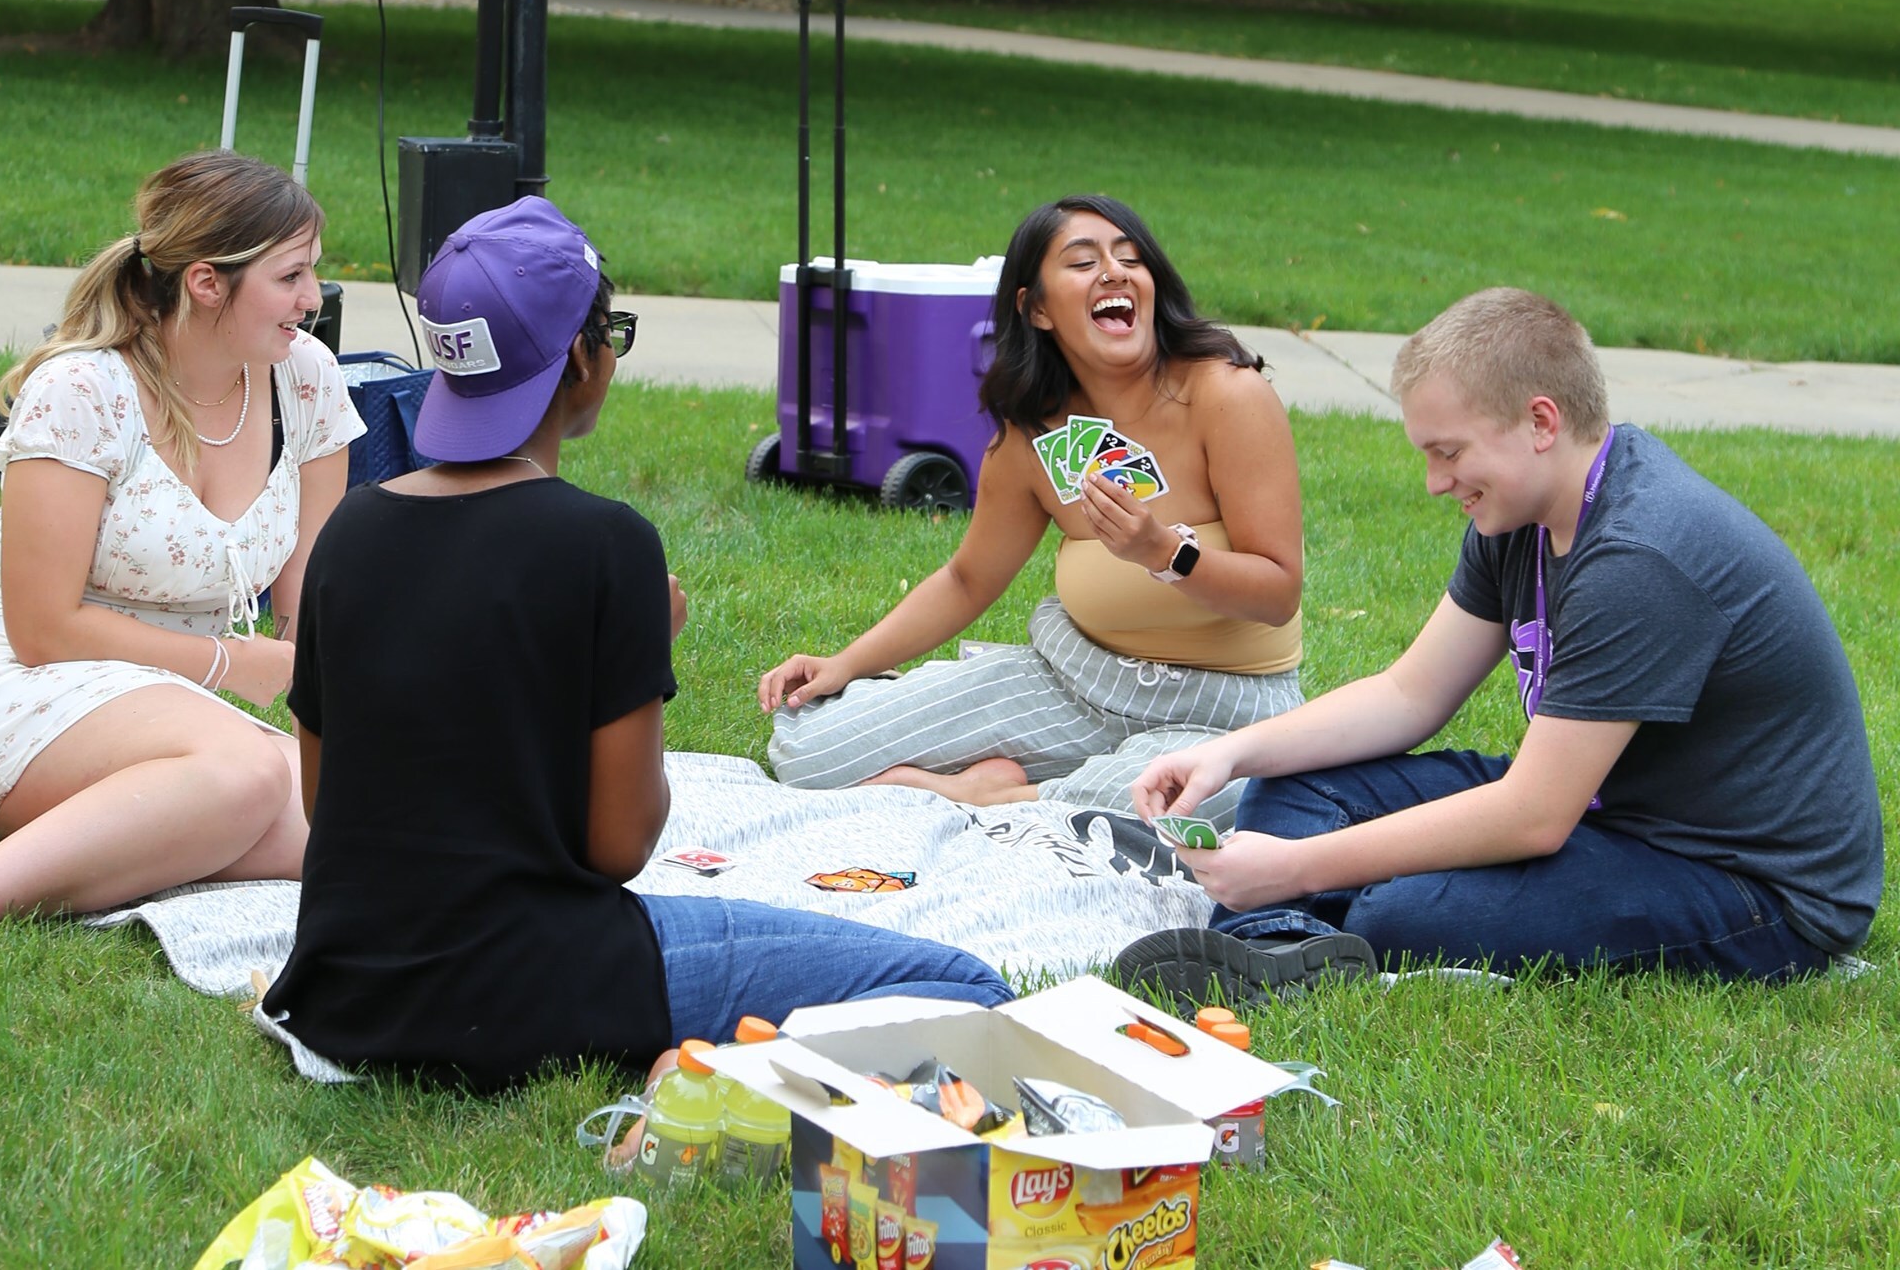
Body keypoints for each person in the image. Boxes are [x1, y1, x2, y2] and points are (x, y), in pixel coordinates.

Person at [260, 198, 1011, 1092]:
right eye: (609, 330)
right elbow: (620, 844)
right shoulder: (604, 545)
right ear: (583, 356)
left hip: (346, 986)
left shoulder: (351, 531)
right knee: (965, 988)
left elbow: (324, 801)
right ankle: (708, 1080)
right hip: (535, 983)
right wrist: (639, 653)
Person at [1115, 288, 1883, 1009]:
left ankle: (1285, 924)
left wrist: (1296, 865)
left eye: (1447, 452)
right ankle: (1279, 941)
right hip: (1604, 808)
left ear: (1540, 421)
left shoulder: (1643, 555)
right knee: (1294, 787)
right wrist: (1232, 753)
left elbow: (1533, 816)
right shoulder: (1520, 515)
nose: (1433, 481)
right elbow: (1408, 695)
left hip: (1748, 883)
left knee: (1401, 908)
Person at [0, 150, 362, 977]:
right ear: (207, 282)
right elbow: (42, 627)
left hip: (180, 706)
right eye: (292, 275)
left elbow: (311, 610)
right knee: (241, 776)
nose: (313, 299)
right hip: (9, 687)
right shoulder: (85, 389)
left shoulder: (305, 381)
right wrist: (236, 662)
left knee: (364, 832)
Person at [759, 195, 1305, 821]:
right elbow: (968, 580)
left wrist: (1165, 554)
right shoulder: (1033, 437)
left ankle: (991, 798)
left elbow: (1278, 592)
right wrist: (845, 664)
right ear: (1037, 308)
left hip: (1223, 708)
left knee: (1200, 803)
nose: (1114, 272)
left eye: (1131, 258)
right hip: (1073, 683)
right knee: (809, 747)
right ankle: (1030, 794)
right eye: (1083, 263)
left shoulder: (1228, 396)